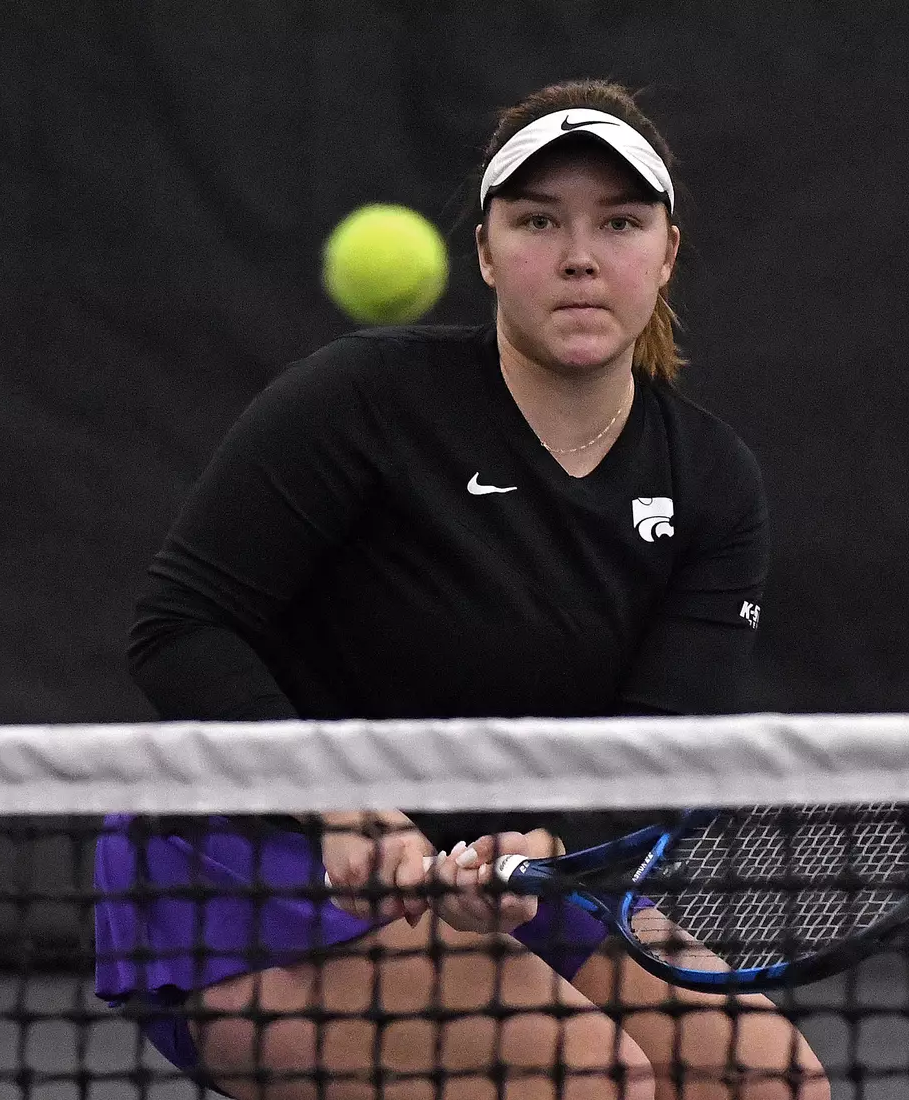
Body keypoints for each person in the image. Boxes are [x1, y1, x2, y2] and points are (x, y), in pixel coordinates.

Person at [95, 79, 829, 1100]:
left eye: (619, 222)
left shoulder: (710, 480)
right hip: (253, 869)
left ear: (665, 252)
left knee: (767, 1081)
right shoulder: (360, 400)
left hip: (501, 879)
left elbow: (656, 740)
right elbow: (180, 627)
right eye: (539, 221)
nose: (580, 255)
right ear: (486, 252)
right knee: (589, 1082)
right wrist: (342, 807)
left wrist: (543, 847)